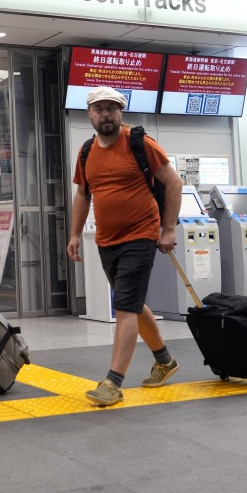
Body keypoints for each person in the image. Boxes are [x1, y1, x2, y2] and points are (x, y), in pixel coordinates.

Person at [67, 87, 184, 407]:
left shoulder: (140, 143)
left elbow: (174, 183)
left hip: (141, 235)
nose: (105, 114)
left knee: (124, 306)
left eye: (111, 108)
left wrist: (169, 228)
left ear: (121, 112)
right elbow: (83, 195)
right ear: (89, 114)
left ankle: (113, 382)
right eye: (98, 109)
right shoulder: (87, 151)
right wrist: (75, 234)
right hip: (106, 239)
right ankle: (164, 360)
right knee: (130, 302)